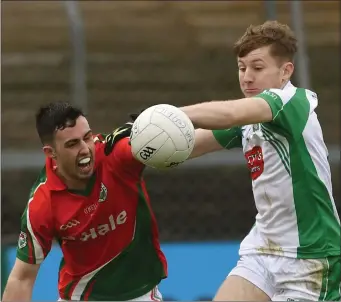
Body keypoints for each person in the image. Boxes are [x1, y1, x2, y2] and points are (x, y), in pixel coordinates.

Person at [183, 20, 340, 301]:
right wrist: (140, 141)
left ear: (285, 71)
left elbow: (230, 113)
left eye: (257, 68)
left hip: (311, 257)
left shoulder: (292, 102)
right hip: (263, 250)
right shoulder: (249, 120)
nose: (246, 77)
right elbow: (189, 145)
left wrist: (169, 114)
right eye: (242, 68)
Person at [2, 102, 167, 301]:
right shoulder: (43, 203)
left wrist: (175, 120)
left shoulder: (115, 154)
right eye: (72, 144)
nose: (85, 149)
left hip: (139, 293)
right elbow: (22, 279)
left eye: (87, 137)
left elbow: (189, 143)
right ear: (50, 153)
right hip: (80, 296)